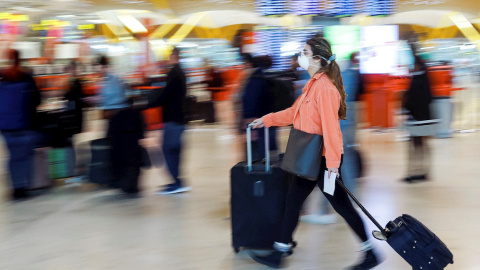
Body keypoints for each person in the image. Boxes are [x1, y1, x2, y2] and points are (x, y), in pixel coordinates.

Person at [249, 37, 380, 269]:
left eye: (305, 52)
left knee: (339, 206)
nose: (301, 55)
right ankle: (281, 250)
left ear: (317, 58)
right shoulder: (312, 85)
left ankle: (369, 253)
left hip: (321, 161)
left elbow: (331, 129)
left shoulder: (325, 89)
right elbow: (293, 113)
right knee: (296, 202)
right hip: (311, 159)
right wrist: (266, 120)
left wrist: (332, 166)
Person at [301, 52, 363, 225]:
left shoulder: (330, 75)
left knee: (328, 167)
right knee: (342, 163)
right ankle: (346, 202)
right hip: (343, 126)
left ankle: (325, 210)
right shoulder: (347, 72)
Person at [148, 47, 191, 195]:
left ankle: (176, 182)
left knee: (168, 149)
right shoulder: (181, 73)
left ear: (174, 56)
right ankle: (177, 181)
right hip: (179, 118)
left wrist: (152, 102)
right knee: (174, 151)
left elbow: (167, 95)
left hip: (172, 119)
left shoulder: (174, 73)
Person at [0, 49, 41, 200]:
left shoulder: (2, 76)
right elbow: (37, 100)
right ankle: (23, 187)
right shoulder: (27, 77)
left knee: (12, 157)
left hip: (6, 127)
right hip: (25, 125)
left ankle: (15, 187)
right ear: (20, 59)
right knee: (25, 157)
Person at [402, 53, 435, 183]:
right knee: (420, 144)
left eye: (413, 65)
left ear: (418, 66)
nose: (412, 67)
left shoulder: (418, 80)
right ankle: (421, 171)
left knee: (416, 145)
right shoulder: (423, 79)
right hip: (422, 118)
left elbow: (413, 98)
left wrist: (407, 107)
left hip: (418, 119)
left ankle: (417, 171)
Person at [242, 55, 278, 161]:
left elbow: (250, 100)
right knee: (271, 147)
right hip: (272, 118)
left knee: (259, 149)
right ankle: (272, 170)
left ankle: (259, 172)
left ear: (250, 64)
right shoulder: (271, 77)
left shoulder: (255, 79)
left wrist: (248, 120)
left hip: (258, 120)